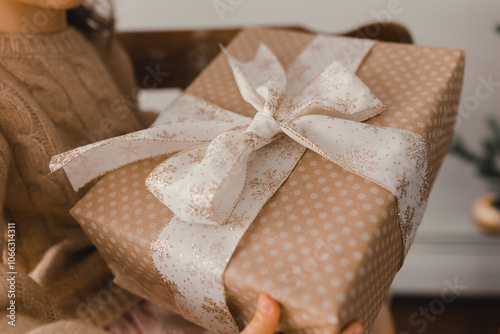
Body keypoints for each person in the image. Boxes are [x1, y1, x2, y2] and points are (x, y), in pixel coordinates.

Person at [0, 1, 385, 333]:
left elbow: (128, 135)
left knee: (355, 290)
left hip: (182, 249)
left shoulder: (90, 38)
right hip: (104, 309)